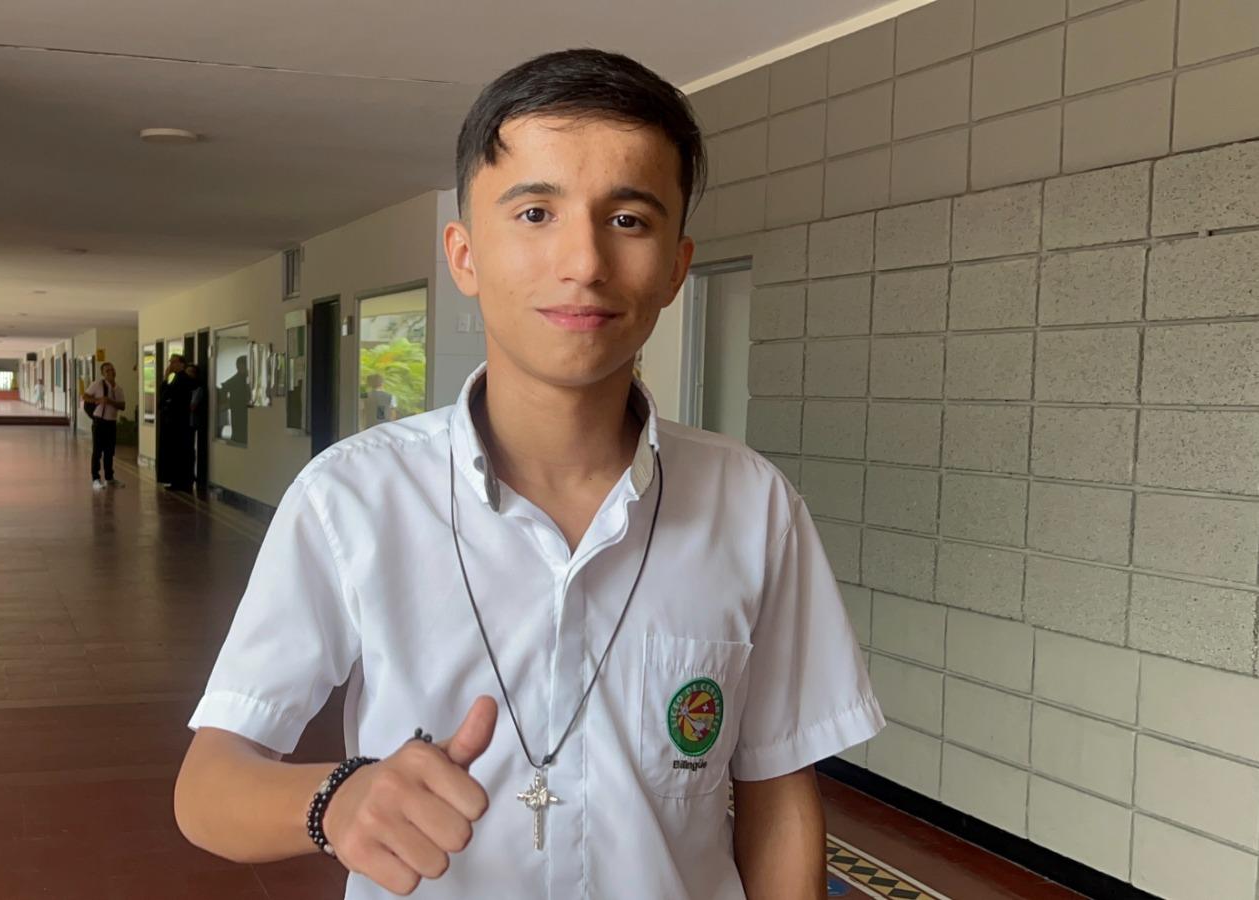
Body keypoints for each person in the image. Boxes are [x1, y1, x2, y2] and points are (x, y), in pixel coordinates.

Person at [174, 49, 881, 900]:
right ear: (463, 256)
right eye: (536, 212)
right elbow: (207, 787)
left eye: (628, 220)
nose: (582, 261)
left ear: (675, 267)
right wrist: (334, 798)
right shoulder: (353, 501)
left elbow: (775, 791)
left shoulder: (751, 504)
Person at [85, 362, 127, 490]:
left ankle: (109, 478)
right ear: (103, 373)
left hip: (111, 422)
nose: (110, 372)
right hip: (100, 421)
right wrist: (98, 400)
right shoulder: (98, 384)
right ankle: (96, 479)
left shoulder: (118, 388)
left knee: (110, 451)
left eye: (112, 369)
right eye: (107, 370)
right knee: (97, 451)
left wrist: (110, 401)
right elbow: (85, 396)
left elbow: (122, 406)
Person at [159, 353, 196, 491]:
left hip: (180, 422)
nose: (171, 365)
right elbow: (164, 396)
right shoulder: (175, 379)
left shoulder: (184, 379)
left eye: (174, 362)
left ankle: (182, 481)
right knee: (175, 451)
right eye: (170, 362)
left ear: (181, 364)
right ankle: (176, 480)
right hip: (174, 422)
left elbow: (168, 396)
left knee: (181, 451)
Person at [218, 356, 251, 445]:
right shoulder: (234, 380)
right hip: (238, 411)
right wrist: (227, 403)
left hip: (248, 411)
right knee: (239, 434)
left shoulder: (250, 379)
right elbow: (223, 391)